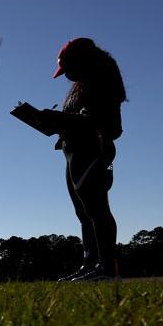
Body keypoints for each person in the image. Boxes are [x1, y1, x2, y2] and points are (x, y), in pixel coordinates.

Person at [39, 38, 126, 282]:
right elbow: (78, 119)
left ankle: (107, 267)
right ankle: (90, 264)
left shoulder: (101, 81)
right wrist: (58, 126)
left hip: (95, 152)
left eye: (69, 70)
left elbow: (98, 121)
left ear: (82, 61)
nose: (67, 77)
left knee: (97, 208)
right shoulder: (82, 84)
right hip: (74, 153)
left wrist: (57, 118)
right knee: (84, 212)